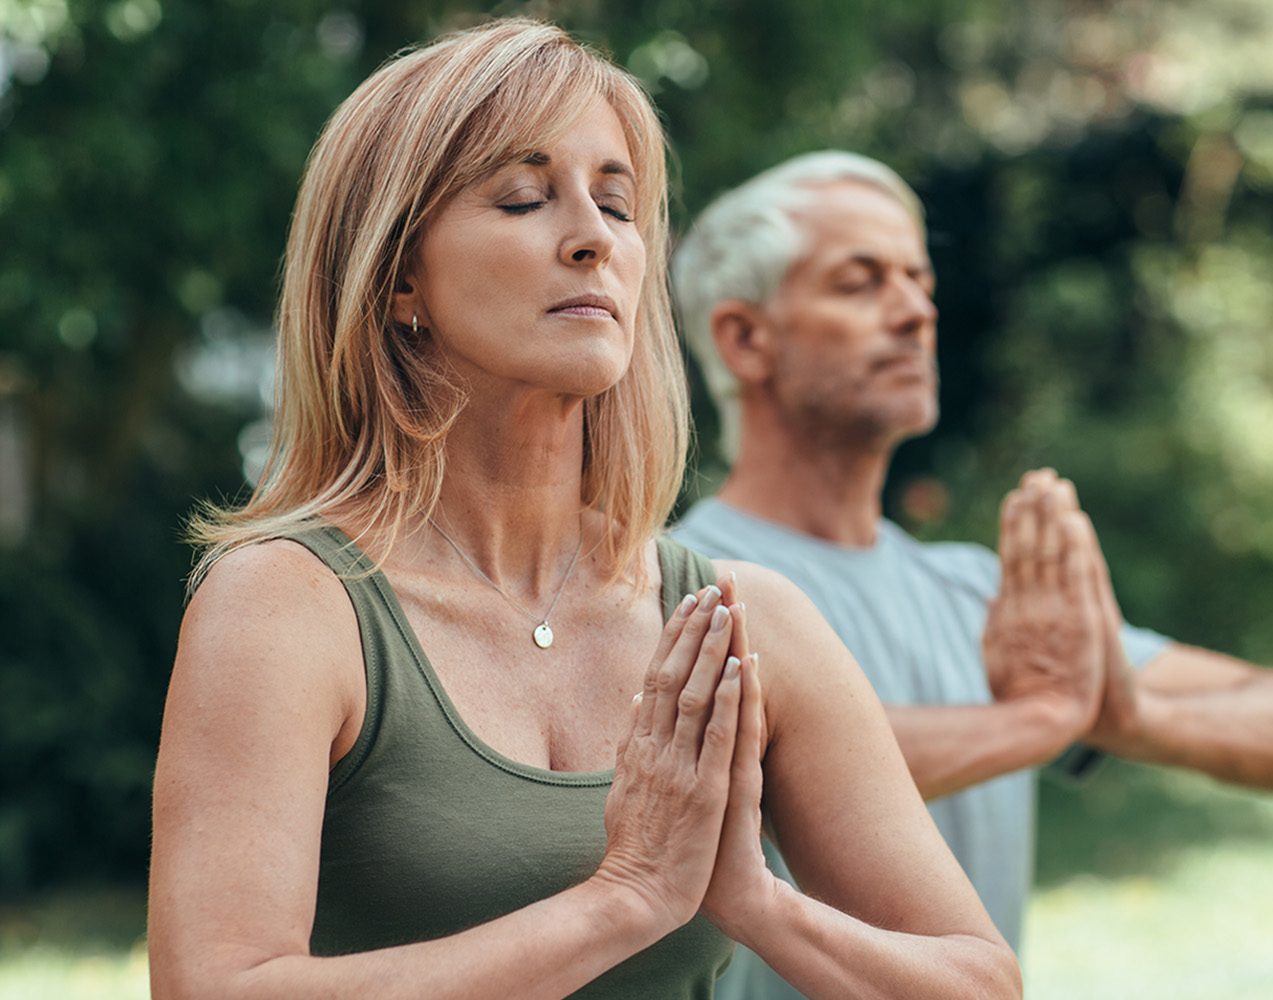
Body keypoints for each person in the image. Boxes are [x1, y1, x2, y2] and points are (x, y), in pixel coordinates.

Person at [147, 29, 1023, 1000]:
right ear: (400, 280)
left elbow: (978, 982)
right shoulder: (285, 604)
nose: (593, 236)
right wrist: (625, 898)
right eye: (524, 197)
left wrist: (758, 902)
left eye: (616, 202)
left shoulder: (743, 624)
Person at [669, 150, 1273, 999]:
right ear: (745, 339)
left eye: (918, 280)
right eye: (860, 282)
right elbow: (769, 760)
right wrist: (1033, 723)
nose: (913, 312)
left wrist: (1129, 715)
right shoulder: (681, 586)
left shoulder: (985, 597)